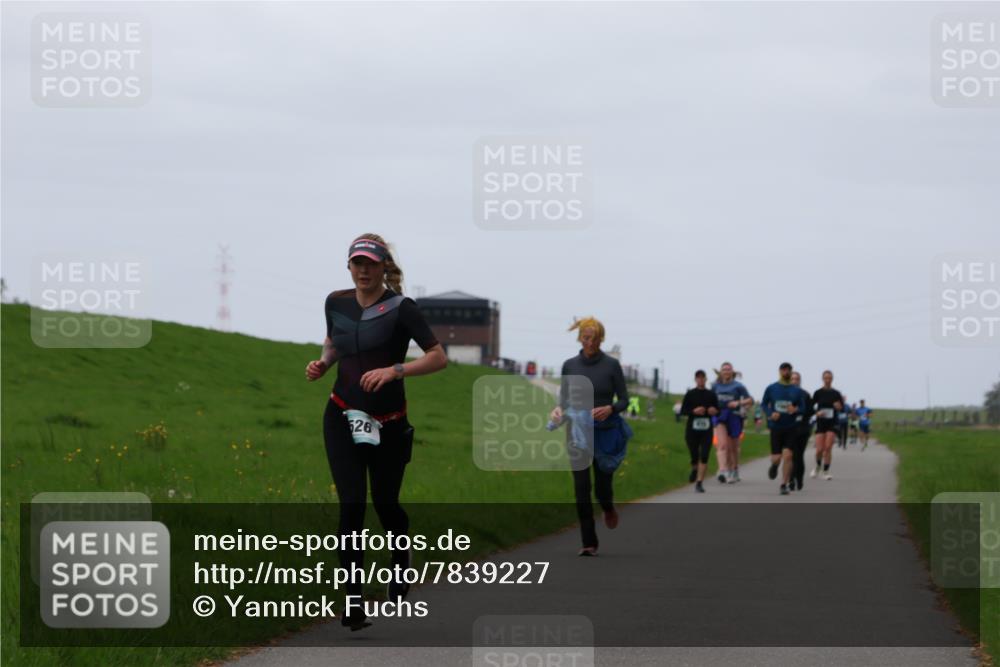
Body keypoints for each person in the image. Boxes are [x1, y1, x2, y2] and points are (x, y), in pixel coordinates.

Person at [305, 234, 447, 631]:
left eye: (370, 263)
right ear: (348, 266)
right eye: (357, 264)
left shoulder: (402, 309)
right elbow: (334, 341)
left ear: (384, 265)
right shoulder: (336, 301)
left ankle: (400, 564)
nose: (363, 270)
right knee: (352, 506)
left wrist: (395, 370)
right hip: (341, 415)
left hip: (388, 422)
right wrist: (323, 364)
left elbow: (438, 358)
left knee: (386, 506)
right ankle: (353, 601)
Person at [550, 316, 630, 557]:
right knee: (581, 487)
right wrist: (557, 411)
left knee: (602, 488)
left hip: (605, 433)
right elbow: (563, 401)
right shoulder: (570, 366)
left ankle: (607, 506)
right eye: (586, 337)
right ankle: (589, 542)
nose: (590, 342)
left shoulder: (611, 366)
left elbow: (624, 399)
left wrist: (611, 408)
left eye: (595, 337)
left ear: (601, 338)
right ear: (580, 338)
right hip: (576, 432)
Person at [760, 362, 807, 495]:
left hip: (791, 427)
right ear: (780, 371)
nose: (786, 372)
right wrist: (770, 414)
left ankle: (783, 484)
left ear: (791, 372)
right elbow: (764, 404)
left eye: (788, 370)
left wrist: (795, 409)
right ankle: (774, 466)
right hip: (776, 427)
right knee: (776, 458)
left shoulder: (797, 391)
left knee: (788, 456)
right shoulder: (771, 388)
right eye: (784, 370)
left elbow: (803, 409)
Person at [711, 362, 753, 484]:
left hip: (734, 417)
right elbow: (710, 399)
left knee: (733, 448)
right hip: (720, 416)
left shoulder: (738, 386)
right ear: (721, 372)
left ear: (732, 371)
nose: (726, 371)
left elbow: (750, 400)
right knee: (722, 445)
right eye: (724, 369)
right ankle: (723, 471)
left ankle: (734, 469)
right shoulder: (715, 386)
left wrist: (738, 403)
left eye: (728, 369)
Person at [680, 370, 720, 493]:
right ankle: (694, 468)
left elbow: (718, 410)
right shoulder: (690, 394)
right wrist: (694, 411)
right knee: (694, 454)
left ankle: (699, 483)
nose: (701, 380)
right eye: (698, 378)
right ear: (695, 379)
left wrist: (714, 411)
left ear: (706, 379)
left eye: (703, 378)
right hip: (692, 429)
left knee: (704, 455)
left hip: (707, 430)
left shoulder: (711, 394)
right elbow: (683, 411)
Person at [812, 371, 844, 481]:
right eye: (826, 378)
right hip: (821, 422)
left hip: (832, 422)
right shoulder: (818, 393)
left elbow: (842, 408)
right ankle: (817, 466)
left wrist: (838, 406)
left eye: (829, 378)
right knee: (819, 449)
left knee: (828, 447)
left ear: (832, 379)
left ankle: (826, 471)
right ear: (822, 378)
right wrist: (817, 413)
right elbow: (811, 407)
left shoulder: (836, 393)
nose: (828, 380)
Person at [789, 371, 813, 491]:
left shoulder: (805, 395)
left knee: (799, 456)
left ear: (800, 381)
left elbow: (810, 412)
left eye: (797, 379)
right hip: (789, 428)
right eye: (792, 379)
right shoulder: (785, 394)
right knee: (791, 455)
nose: (794, 381)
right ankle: (791, 479)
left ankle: (799, 478)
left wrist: (798, 410)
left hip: (803, 428)